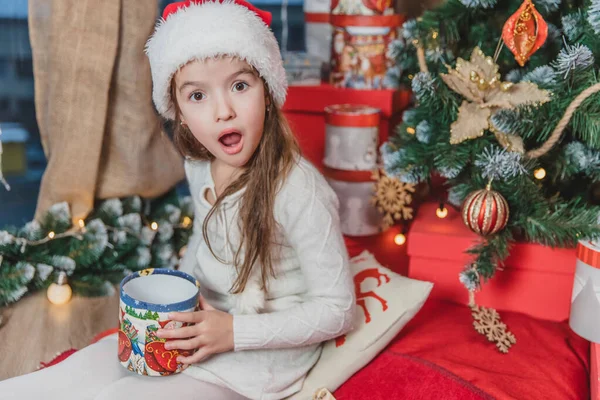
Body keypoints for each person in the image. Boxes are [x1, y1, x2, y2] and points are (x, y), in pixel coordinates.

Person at [0, 1, 355, 399]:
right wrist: (181, 295)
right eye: (198, 95)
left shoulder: (299, 190)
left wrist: (232, 333)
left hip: (258, 358)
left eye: (240, 86)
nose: (223, 111)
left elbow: (339, 309)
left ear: (268, 92)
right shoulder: (200, 165)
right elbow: (205, 240)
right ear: (180, 113)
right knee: (72, 373)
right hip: (198, 329)